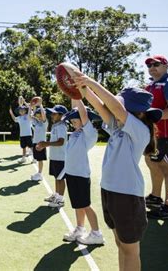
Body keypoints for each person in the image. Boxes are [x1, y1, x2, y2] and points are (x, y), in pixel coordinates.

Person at [74, 73, 162, 271]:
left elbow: (114, 107)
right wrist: (81, 87)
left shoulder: (140, 130)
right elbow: (100, 106)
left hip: (127, 195)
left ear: (137, 113)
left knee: (130, 250)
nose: (116, 109)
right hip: (110, 191)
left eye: (123, 106)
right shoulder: (118, 127)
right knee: (121, 245)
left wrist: (91, 82)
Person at [143, 55, 168, 220]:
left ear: (166, 66)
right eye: (149, 65)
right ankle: (155, 197)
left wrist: (153, 118)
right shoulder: (150, 85)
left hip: (167, 135)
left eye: (156, 64)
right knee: (152, 162)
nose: (152, 67)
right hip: (154, 134)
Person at [60, 100, 104, 245]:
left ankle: (96, 233)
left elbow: (83, 115)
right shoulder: (74, 134)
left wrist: (77, 94)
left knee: (85, 204)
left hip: (81, 175)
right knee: (77, 205)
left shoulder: (89, 133)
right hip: (71, 174)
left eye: (75, 119)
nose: (72, 122)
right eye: (71, 120)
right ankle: (80, 229)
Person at [36, 104, 68, 208]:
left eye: (54, 114)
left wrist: (47, 144)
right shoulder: (55, 126)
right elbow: (54, 141)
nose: (52, 115)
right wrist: (44, 144)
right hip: (54, 157)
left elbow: (61, 142)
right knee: (56, 177)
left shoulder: (62, 126)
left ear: (61, 115)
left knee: (60, 179)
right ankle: (56, 195)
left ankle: (60, 200)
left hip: (61, 158)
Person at [9, 96, 34, 163]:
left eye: (23, 110)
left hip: (28, 134)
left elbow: (30, 108)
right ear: (19, 112)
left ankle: (34, 158)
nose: (21, 111)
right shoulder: (19, 118)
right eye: (20, 110)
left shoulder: (28, 116)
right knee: (23, 147)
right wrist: (11, 113)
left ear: (25, 111)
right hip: (22, 135)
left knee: (31, 146)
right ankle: (23, 158)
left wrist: (24, 101)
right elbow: (14, 119)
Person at [30, 97, 48, 181]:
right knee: (37, 159)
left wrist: (40, 105)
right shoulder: (37, 122)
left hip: (41, 143)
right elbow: (29, 117)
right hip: (35, 143)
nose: (39, 116)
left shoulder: (45, 122)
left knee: (40, 160)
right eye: (38, 115)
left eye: (40, 114)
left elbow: (44, 115)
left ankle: (40, 174)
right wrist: (30, 107)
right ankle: (38, 173)